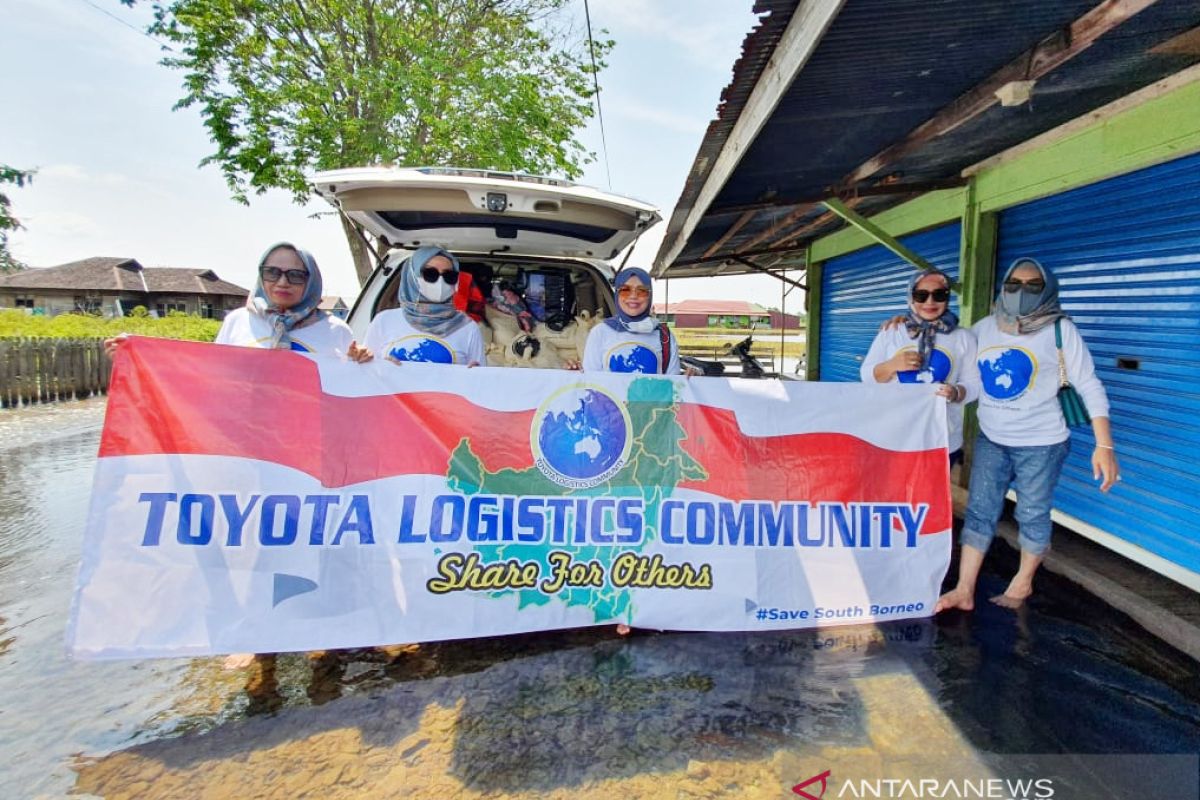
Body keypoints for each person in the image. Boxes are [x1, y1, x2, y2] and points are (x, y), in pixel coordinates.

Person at [937, 257, 1119, 612]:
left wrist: (1104, 444)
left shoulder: (1060, 330)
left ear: (1048, 288)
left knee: (1032, 513)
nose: (1021, 292)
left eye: (1032, 285)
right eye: (1013, 285)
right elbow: (966, 371)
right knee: (979, 511)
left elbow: (1089, 385)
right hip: (992, 437)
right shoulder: (984, 328)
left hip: (1043, 443)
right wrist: (900, 326)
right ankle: (964, 589)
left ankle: (1022, 584)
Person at [104, 242, 370, 362]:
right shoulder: (238, 322)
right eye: (272, 272)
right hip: (247, 442)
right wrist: (137, 357)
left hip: (311, 442)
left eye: (296, 275)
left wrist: (363, 363)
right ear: (261, 275)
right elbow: (207, 377)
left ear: (311, 282)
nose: (282, 282)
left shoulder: (336, 331)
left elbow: (352, 394)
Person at [860, 269, 977, 464]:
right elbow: (867, 376)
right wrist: (891, 365)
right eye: (921, 295)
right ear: (911, 299)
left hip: (941, 439)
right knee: (893, 494)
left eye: (939, 295)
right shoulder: (892, 331)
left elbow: (974, 382)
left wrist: (956, 392)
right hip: (894, 438)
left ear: (948, 298)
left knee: (932, 495)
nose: (930, 302)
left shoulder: (963, 337)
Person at [364, 246, 485, 366]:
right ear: (411, 277)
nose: (440, 281)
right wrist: (379, 365)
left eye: (449, 276)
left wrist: (474, 374)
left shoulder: (468, 327)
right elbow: (365, 371)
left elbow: (479, 379)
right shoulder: (384, 321)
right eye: (430, 274)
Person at [580, 267, 685, 376]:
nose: (633, 296)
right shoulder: (600, 332)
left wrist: (693, 380)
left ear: (650, 295)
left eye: (642, 291)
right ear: (616, 293)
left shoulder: (664, 336)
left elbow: (674, 385)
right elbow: (591, 381)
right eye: (625, 290)